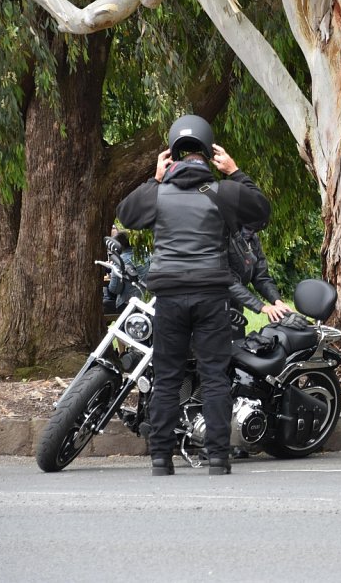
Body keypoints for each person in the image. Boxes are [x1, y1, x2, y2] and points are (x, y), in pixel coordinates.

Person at [116, 114, 270, 476]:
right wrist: (234, 172)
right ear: (208, 151)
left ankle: (160, 458)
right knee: (214, 376)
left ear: (172, 155)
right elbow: (262, 210)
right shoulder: (224, 193)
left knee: (167, 376)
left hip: (169, 298)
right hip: (212, 297)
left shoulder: (157, 194)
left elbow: (125, 215)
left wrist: (154, 178)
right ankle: (218, 458)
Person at [228, 226, 292, 332]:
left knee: (238, 344)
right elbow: (227, 280)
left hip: (235, 310)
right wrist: (262, 307)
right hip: (211, 306)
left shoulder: (252, 238)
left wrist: (277, 301)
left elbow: (261, 276)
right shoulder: (221, 235)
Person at [106, 230, 148, 311]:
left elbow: (114, 289)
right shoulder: (147, 256)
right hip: (146, 302)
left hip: (128, 304)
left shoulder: (121, 260)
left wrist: (112, 271)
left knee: (104, 302)